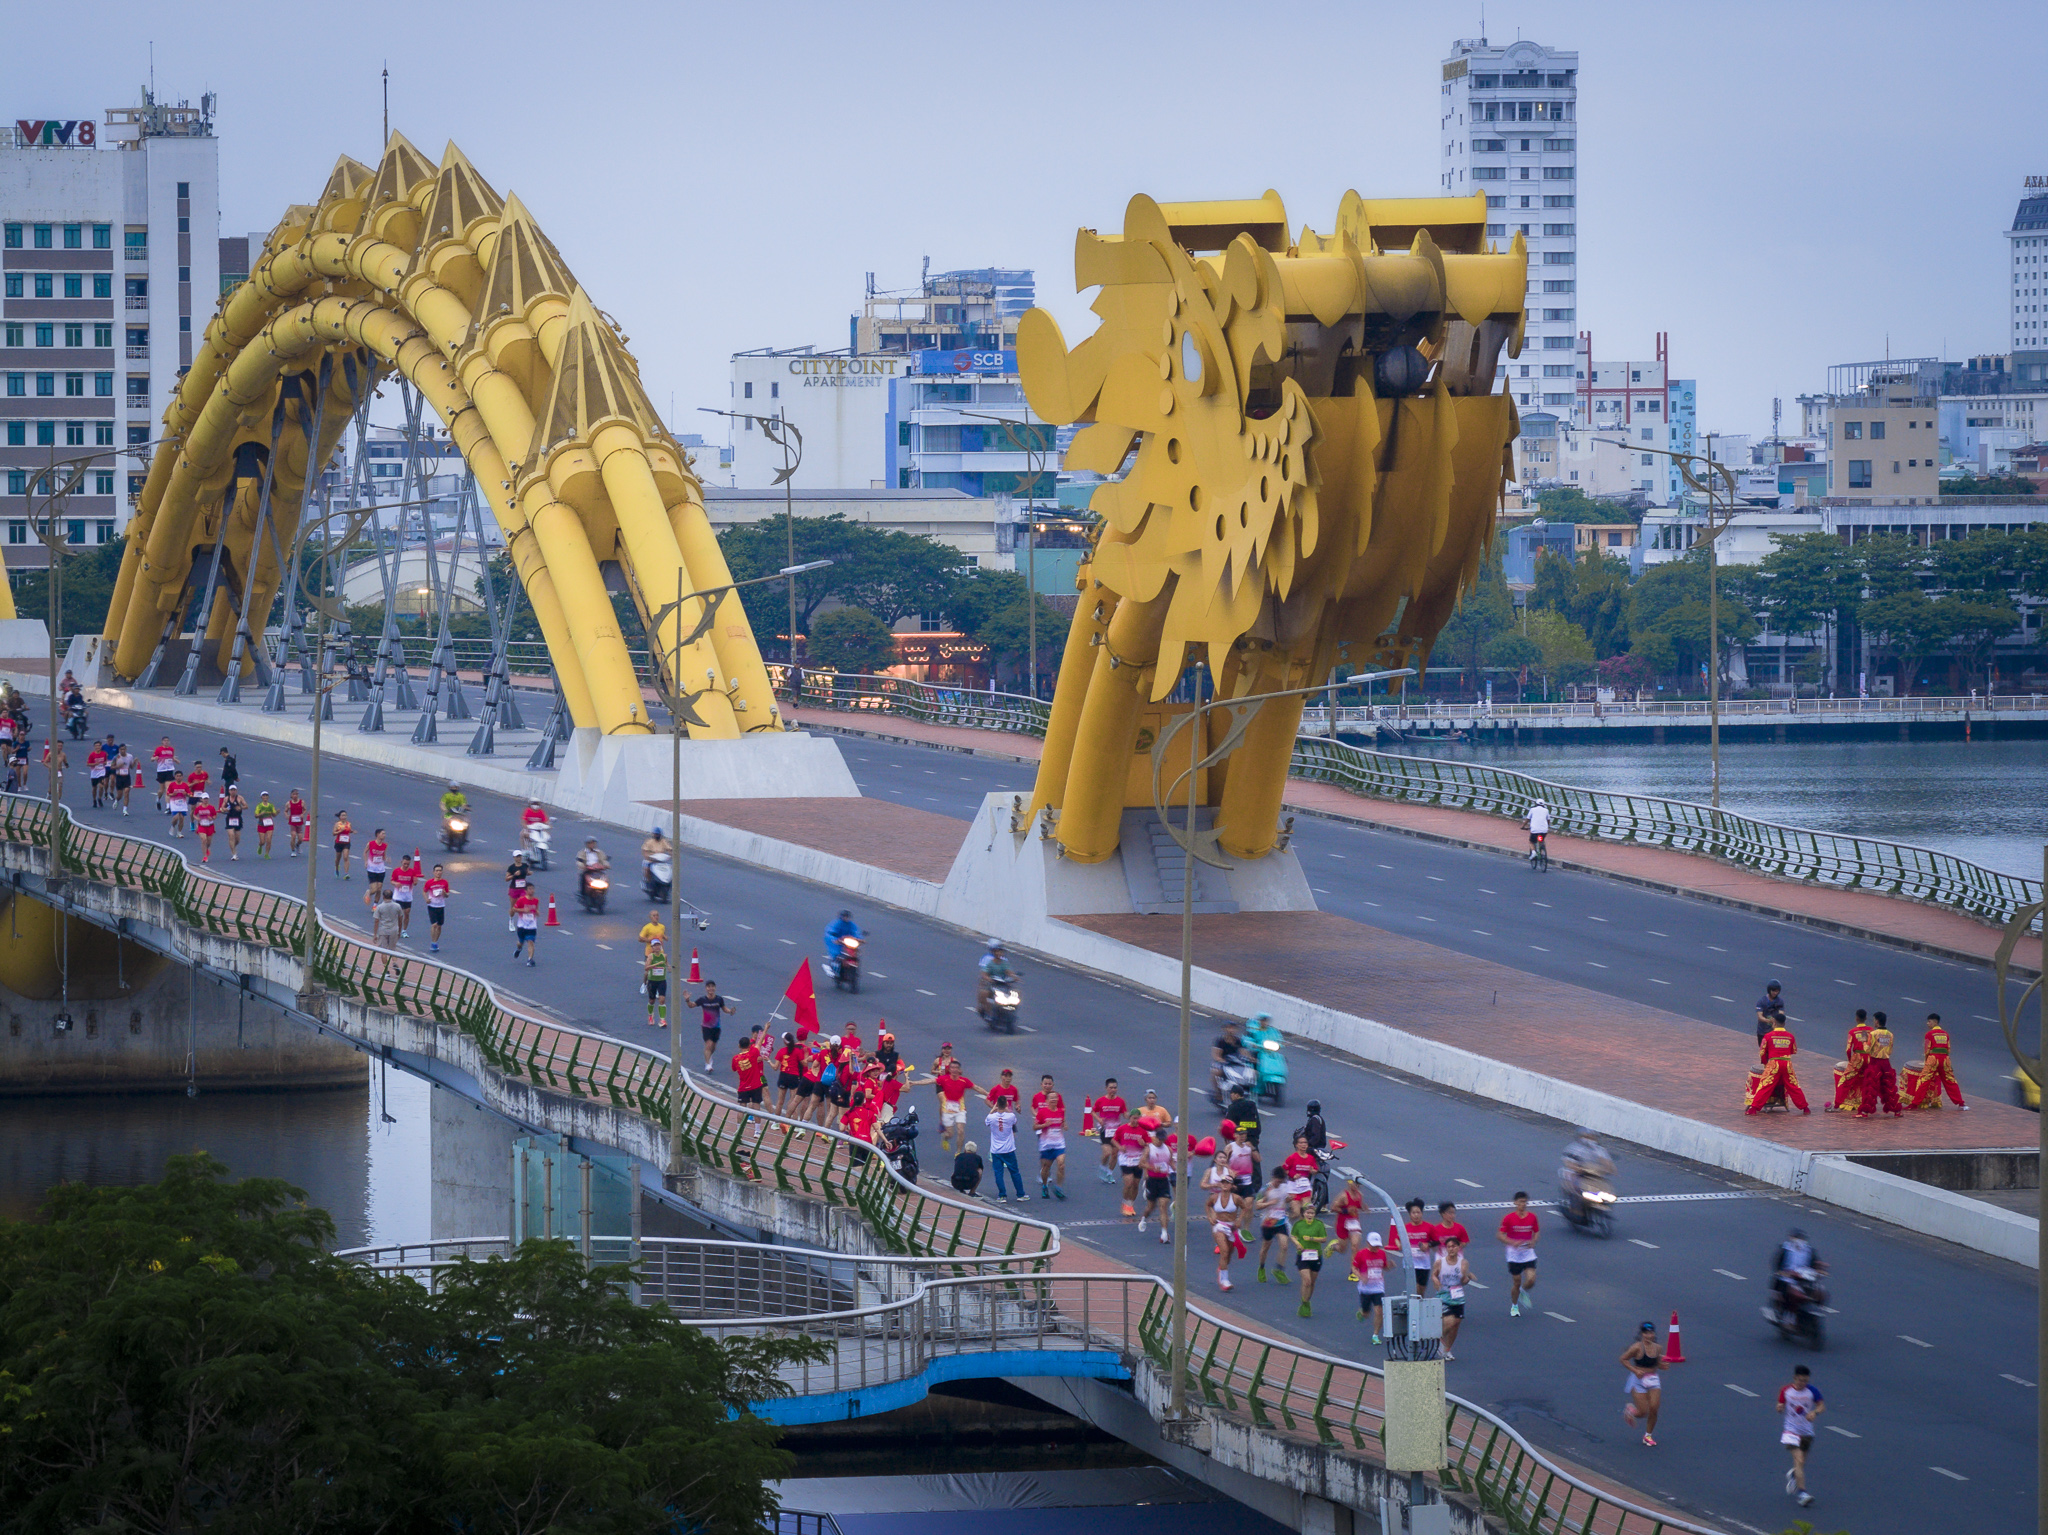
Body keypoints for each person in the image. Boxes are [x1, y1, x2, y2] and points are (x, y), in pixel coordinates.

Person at [1746, 1014, 1811, 1115]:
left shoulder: (1768, 1036)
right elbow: (1793, 1050)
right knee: (1794, 1085)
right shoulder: (1790, 1036)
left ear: (1774, 1023)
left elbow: (1762, 1052)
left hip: (1773, 1064)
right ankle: (1805, 1108)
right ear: (1784, 1024)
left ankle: (1753, 1108)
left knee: (1765, 1086)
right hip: (1787, 1063)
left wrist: (1765, 1063)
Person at [1776, 1365, 1823, 1507]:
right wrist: (1780, 1407)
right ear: (1794, 1378)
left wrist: (1815, 1412)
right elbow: (1780, 1404)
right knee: (1799, 1459)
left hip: (1806, 1431)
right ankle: (1802, 1493)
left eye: (1805, 1381)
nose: (1803, 1383)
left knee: (1801, 1464)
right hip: (1790, 1431)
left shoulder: (1812, 1391)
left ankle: (1794, 1475)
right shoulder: (1786, 1390)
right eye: (1800, 1380)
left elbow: (1821, 1406)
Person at [1904, 1011, 1968, 1109]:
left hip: (1933, 1058)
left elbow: (1927, 1050)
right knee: (1950, 1081)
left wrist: (1926, 1061)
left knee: (1923, 1080)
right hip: (1945, 1059)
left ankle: (1914, 1104)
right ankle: (1961, 1103)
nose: (1927, 1023)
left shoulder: (1929, 1034)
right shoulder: (1946, 1034)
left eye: (1929, 1021)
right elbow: (1948, 1049)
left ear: (1935, 1022)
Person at [1620, 1321, 1663, 1447]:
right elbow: (1623, 1359)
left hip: (1653, 1379)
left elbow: (1657, 1363)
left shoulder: (1658, 1348)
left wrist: (1663, 1366)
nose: (1649, 1336)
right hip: (1638, 1381)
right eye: (1646, 1333)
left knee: (1654, 1408)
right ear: (1642, 1334)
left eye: (1651, 1333)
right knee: (1643, 1412)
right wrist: (1635, 1370)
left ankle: (1648, 1436)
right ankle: (1630, 1411)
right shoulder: (1637, 1347)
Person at [1498, 1191, 1541, 1317]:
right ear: (1515, 1203)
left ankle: (1522, 1291)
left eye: (1525, 1202)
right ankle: (1514, 1306)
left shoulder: (1532, 1217)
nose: (1523, 1204)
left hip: (1527, 1252)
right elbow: (1500, 1235)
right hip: (1514, 1254)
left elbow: (1536, 1231)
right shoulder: (1508, 1218)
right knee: (1517, 1282)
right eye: (1521, 1202)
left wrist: (1533, 1241)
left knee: (1531, 1279)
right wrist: (1512, 1242)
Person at [1432, 1237, 1471, 1357]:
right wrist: (1436, 1281)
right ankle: (1436, 1338)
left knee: (1456, 1324)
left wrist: (1468, 1278)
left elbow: (1463, 1281)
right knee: (1450, 1321)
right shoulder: (1440, 1262)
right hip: (1443, 1296)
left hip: (1458, 1296)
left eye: (1454, 1246)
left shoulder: (1463, 1263)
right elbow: (1434, 1275)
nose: (1451, 1249)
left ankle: (1447, 1349)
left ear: (1458, 1248)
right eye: (1449, 1247)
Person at [1290, 1203, 1330, 1319]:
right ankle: (1304, 1303)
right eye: (1308, 1213)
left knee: (1312, 1282)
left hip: (1316, 1256)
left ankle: (1307, 1301)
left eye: (1312, 1213)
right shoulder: (1298, 1224)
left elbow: (1324, 1239)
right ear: (1303, 1213)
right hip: (1303, 1256)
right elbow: (1293, 1236)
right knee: (1306, 1281)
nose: (1310, 1215)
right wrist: (1297, 1244)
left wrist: (1312, 1239)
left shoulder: (1319, 1224)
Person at [1829, 1008, 1873, 1113]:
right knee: (1871, 1080)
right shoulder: (1871, 1030)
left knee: (1844, 1082)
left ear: (1856, 1018)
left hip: (1858, 1058)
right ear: (1866, 1018)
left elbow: (1848, 1049)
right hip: (1869, 1058)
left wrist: (1850, 1061)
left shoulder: (1852, 1031)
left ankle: (1837, 1105)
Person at [1031, 1074, 1067, 1198]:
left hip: (1059, 1143)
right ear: (1047, 1101)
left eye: (1055, 1098)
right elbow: (1034, 1127)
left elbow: (1062, 1120)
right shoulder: (1042, 1112)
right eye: (1051, 1098)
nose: (1054, 1100)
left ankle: (1059, 1188)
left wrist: (1064, 1124)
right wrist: (1044, 1125)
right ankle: (1045, 1185)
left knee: (1061, 1164)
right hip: (1046, 1143)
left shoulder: (1060, 1112)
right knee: (1046, 1167)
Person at [1206, 1176, 1245, 1290]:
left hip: (1231, 1227)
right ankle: (1224, 1280)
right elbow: (1208, 1205)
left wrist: (1239, 1220)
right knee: (1224, 1250)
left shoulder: (1236, 1198)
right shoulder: (1215, 1197)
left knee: (1229, 1254)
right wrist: (1210, 1217)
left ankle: (1221, 1268)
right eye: (1223, 1182)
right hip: (1219, 1226)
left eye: (1227, 1183)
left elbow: (1244, 1208)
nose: (1225, 1185)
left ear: (1232, 1185)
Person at [1860, 1010, 1902, 1118]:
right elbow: (1890, 1051)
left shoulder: (1873, 1034)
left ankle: (1865, 1112)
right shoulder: (1890, 1035)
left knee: (1870, 1087)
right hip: (1886, 1063)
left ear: (1877, 1021)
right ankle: (1897, 1111)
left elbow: (1867, 1049)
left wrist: (1864, 1040)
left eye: (1874, 1020)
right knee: (1889, 1087)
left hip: (1875, 1063)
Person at [1086, 1078, 1128, 1185]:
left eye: (1115, 1088)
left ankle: (1109, 1173)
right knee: (1107, 1153)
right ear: (1106, 1088)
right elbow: (1093, 1111)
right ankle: (1103, 1167)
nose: (1113, 1090)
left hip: (1116, 1131)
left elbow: (1125, 1113)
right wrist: (1099, 1119)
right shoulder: (1101, 1100)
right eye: (1111, 1088)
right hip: (1105, 1130)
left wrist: (1130, 1115)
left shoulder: (1120, 1101)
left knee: (1114, 1153)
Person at [933, 1058, 980, 1154]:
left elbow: (976, 1088)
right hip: (948, 1110)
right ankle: (945, 1137)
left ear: (959, 1070)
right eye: (952, 1068)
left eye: (956, 1068)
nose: (954, 1070)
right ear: (949, 1069)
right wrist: (914, 1083)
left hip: (960, 1110)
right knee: (950, 1134)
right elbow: (929, 1081)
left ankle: (958, 1152)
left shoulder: (964, 1081)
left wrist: (988, 1094)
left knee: (960, 1131)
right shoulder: (944, 1078)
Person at [1254, 1171, 1293, 1283]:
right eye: (1277, 1181)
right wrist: (1269, 1203)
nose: (1278, 1184)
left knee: (1284, 1246)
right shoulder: (1266, 1190)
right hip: (1268, 1222)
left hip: (1281, 1221)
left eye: (1280, 1182)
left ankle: (1279, 1270)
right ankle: (1261, 1268)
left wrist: (1289, 1199)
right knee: (1265, 1247)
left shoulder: (1284, 1187)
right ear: (1273, 1178)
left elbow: (1286, 1199)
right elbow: (1257, 1206)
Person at [983, 1096, 1023, 1202]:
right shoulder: (1011, 1116)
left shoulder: (991, 1117)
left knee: (998, 1173)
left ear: (996, 1104)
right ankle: (1020, 1194)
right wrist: (1006, 1109)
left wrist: (993, 1109)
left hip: (996, 1150)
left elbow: (986, 1122)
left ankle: (1002, 1195)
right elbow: (1014, 1121)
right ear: (1006, 1104)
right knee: (1014, 1172)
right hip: (1009, 1149)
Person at [1394, 1199, 1437, 1295]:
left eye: (1418, 1212)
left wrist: (1428, 1245)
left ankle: (1419, 1302)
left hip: (1424, 1264)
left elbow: (1436, 1241)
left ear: (1422, 1213)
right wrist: (1399, 1245)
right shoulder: (1405, 1228)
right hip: (1409, 1263)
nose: (1416, 1215)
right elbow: (1397, 1238)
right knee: (1414, 1287)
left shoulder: (1429, 1227)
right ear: (1410, 1214)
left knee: (1421, 1289)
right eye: (1413, 1213)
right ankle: (1413, 1303)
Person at [1112, 1112, 1150, 1218]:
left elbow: (1149, 1145)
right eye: (1134, 1118)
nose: (1136, 1121)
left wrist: (1144, 1144)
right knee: (1128, 1183)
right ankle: (1125, 1203)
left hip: (1138, 1160)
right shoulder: (1122, 1128)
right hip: (1125, 1159)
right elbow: (1114, 1140)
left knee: (1135, 1184)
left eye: (1138, 1119)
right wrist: (1120, 1147)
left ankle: (1130, 1204)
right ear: (1130, 1118)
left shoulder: (1143, 1131)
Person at [1352, 1231, 1389, 1340]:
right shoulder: (1361, 1254)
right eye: (1373, 1245)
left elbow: (1384, 1267)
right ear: (1368, 1243)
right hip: (1365, 1289)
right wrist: (1361, 1277)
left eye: (1377, 1246)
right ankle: (1362, 1312)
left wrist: (1390, 1266)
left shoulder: (1382, 1254)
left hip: (1378, 1287)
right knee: (1366, 1314)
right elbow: (1354, 1268)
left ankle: (1375, 1335)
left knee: (1379, 1311)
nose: (1375, 1248)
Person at [1140, 1127, 1175, 1240]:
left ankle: (1164, 1232)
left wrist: (1177, 1170)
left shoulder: (1168, 1149)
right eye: (1159, 1139)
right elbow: (1141, 1163)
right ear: (1155, 1138)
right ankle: (1144, 1218)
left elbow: (1170, 1162)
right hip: (1152, 1180)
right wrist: (1152, 1168)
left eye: (1163, 1140)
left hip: (1163, 1180)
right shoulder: (1149, 1148)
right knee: (1151, 1206)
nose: (1161, 1142)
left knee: (1163, 1206)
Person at [689, 978, 734, 1063]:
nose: (710, 988)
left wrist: (730, 1011)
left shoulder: (719, 999)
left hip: (716, 1026)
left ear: (715, 988)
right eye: (708, 987)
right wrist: (687, 1000)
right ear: (706, 988)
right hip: (706, 1026)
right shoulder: (702, 999)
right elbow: (691, 1005)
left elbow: (724, 1009)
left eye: (712, 986)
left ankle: (709, 1056)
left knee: (713, 1047)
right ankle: (708, 1064)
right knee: (708, 1045)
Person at [369, 888, 404, 978]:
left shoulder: (380, 907)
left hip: (383, 930)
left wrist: (375, 934)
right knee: (393, 949)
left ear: (383, 896)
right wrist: (399, 931)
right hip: (394, 930)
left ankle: (386, 971)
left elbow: (376, 921)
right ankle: (395, 962)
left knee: (383, 951)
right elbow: (400, 919)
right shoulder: (397, 906)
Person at [975, 939, 1015, 1016]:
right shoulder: (986, 958)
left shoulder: (1004, 960)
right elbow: (984, 971)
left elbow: (1008, 971)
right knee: (983, 988)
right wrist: (987, 978)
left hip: (1003, 981)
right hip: (991, 981)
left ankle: (1011, 1009)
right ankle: (981, 1006)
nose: (999, 952)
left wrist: (1013, 977)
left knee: (1014, 992)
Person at [729, 1028, 767, 1107]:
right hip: (756, 1085)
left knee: (742, 1108)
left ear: (739, 1046)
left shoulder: (735, 1058)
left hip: (743, 1087)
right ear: (749, 1045)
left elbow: (734, 1069)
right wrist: (766, 1028)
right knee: (756, 1106)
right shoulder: (753, 1053)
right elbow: (759, 1043)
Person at [772, 1032, 804, 1118]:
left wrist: (768, 1060)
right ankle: (792, 1122)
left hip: (783, 1076)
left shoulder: (781, 1051)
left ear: (784, 1042)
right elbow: (804, 1063)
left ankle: (776, 1121)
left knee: (780, 1101)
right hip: (794, 1077)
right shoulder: (798, 1051)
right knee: (794, 1101)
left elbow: (775, 1067)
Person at [423, 865, 451, 952]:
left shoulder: (444, 882)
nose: (438, 872)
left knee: (439, 925)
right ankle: (433, 942)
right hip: (432, 905)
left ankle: (435, 941)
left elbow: (447, 895)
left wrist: (444, 893)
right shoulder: (429, 882)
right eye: (437, 870)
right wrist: (426, 899)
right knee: (434, 924)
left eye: (440, 870)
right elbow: (424, 891)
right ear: (433, 872)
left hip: (441, 905)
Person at [389, 853, 418, 935]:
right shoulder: (396, 871)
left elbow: (415, 882)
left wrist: (415, 882)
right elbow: (392, 881)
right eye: (404, 863)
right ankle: (397, 929)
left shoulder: (412, 871)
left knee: (407, 913)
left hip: (408, 896)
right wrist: (396, 883)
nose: (406, 865)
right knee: (399, 914)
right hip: (398, 896)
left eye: (408, 864)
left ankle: (404, 930)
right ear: (401, 862)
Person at [643, 940, 670, 1029]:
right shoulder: (651, 956)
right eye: (655, 945)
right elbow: (646, 968)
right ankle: (650, 1016)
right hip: (652, 981)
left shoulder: (664, 956)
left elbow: (666, 963)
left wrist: (669, 967)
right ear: (652, 947)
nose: (657, 947)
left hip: (662, 980)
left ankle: (662, 1020)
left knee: (662, 999)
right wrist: (655, 965)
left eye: (659, 945)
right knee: (652, 1000)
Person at [512, 886, 539, 965]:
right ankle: (519, 949)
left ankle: (530, 959)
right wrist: (523, 910)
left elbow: (536, 910)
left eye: (533, 889)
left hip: (532, 926)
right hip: (522, 926)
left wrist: (537, 912)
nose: (532, 891)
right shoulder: (521, 900)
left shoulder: (536, 900)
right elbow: (514, 909)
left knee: (531, 942)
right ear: (526, 891)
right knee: (520, 942)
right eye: (530, 889)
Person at [219, 785, 246, 861]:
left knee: (237, 839)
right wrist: (225, 809)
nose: (233, 791)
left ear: (236, 791)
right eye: (231, 790)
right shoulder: (226, 799)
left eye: (234, 790)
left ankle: (233, 847)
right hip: (229, 818)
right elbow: (222, 807)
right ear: (229, 791)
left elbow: (246, 806)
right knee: (231, 835)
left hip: (238, 818)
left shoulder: (240, 798)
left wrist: (240, 807)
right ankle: (234, 854)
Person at [191, 791, 217, 863]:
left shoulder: (211, 807)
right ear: (201, 799)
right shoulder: (199, 808)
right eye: (204, 799)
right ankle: (205, 856)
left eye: (207, 799)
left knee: (208, 842)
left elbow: (215, 815)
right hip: (202, 826)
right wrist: (197, 818)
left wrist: (212, 818)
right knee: (204, 840)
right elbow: (194, 814)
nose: (205, 800)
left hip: (210, 826)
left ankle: (207, 848)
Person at [152, 737, 177, 809]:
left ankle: (168, 807)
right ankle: (158, 798)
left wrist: (176, 760)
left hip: (169, 770)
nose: (166, 742)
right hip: (161, 770)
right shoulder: (159, 749)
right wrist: (154, 758)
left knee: (168, 788)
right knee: (161, 790)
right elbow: (152, 758)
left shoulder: (171, 749)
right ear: (162, 742)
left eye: (167, 740)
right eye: (164, 741)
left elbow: (172, 757)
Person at [111, 744, 135, 815]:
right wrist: (118, 766)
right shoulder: (116, 757)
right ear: (119, 750)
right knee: (120, 795)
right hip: (119, 777)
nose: (122, 751)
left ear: (126, 749)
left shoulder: (130, 756)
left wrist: (134, 762)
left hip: (127, 777)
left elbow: (131, 767)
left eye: (124, 749)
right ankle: (116, 800)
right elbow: (111, 767)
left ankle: (125, 810)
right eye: (121, 749)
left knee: (126, 793)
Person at [252, 791, 277, 858]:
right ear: (261, 797)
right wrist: (261, 814)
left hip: (269, 824)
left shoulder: (271, 805)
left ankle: (266, 854)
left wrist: (275, 813)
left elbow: (274, 815)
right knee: (262, 841)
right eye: (264, 796)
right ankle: (260, 846)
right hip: (261, 825)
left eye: (266, 796)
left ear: (268, 797)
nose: (265, 797)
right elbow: (256, 815)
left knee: (269, 839)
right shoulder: (259, 806)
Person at [363, 829, 389, 893]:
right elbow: (365, 852)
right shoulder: (371, 843)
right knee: (374, 890)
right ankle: (368, 893)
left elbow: (384, 855)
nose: (384, 835)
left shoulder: (385, 845)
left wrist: (386, 859)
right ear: (378, 834)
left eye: (385, 834)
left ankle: (375, 900)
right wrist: (366, 861)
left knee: (379, 889)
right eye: (382, 834)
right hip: (372, 869)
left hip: (381, 869)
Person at [286, 790, 308, 857]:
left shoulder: (302, 802)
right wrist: (287, 815)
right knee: (293, 836)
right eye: (294, 794)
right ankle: (293, 851)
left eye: (296, 794)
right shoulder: (289, 803)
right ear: (291, 795)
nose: (295, 796)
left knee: (300, 839)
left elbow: (305, 809)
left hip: (299, 822)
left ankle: (297, 845)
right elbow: (285, 811)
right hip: (292, 822)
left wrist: (303, 814)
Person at [332, 810, 354, 878]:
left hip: (346, 843)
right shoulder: (337, 824)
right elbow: (333, 833)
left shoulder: (349, 824)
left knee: (346, 857)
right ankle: (336, 868)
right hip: (338, 842)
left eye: (345, 815)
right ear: (340, 817)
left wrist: (352, 831)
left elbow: (349, 830)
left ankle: (346, 873)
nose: (344, 817)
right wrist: (340, 831)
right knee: (338, 857)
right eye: (342, 815)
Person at [86, 740, 107, 809]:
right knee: (94, 788)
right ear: (94, 747)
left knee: (101, 786)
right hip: (94, 773)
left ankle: (99, 798)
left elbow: (105, 761)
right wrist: (95, 764)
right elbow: (88, 764)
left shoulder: (104, 754)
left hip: (101, 772)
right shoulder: (92, 754)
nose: (98, 747)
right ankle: (94, 800)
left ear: (101, 746)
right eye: (96, 746)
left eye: (99, 746)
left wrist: (104, 763)